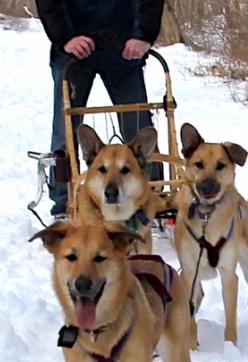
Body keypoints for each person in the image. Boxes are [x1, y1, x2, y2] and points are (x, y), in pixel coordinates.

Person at [36, 0, 165, 218]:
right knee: (65, 131)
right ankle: (64, 203)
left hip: (125, 50)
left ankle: (152, 195)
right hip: (73, 55)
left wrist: (143, 35)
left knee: (138, 127)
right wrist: (65, 37)